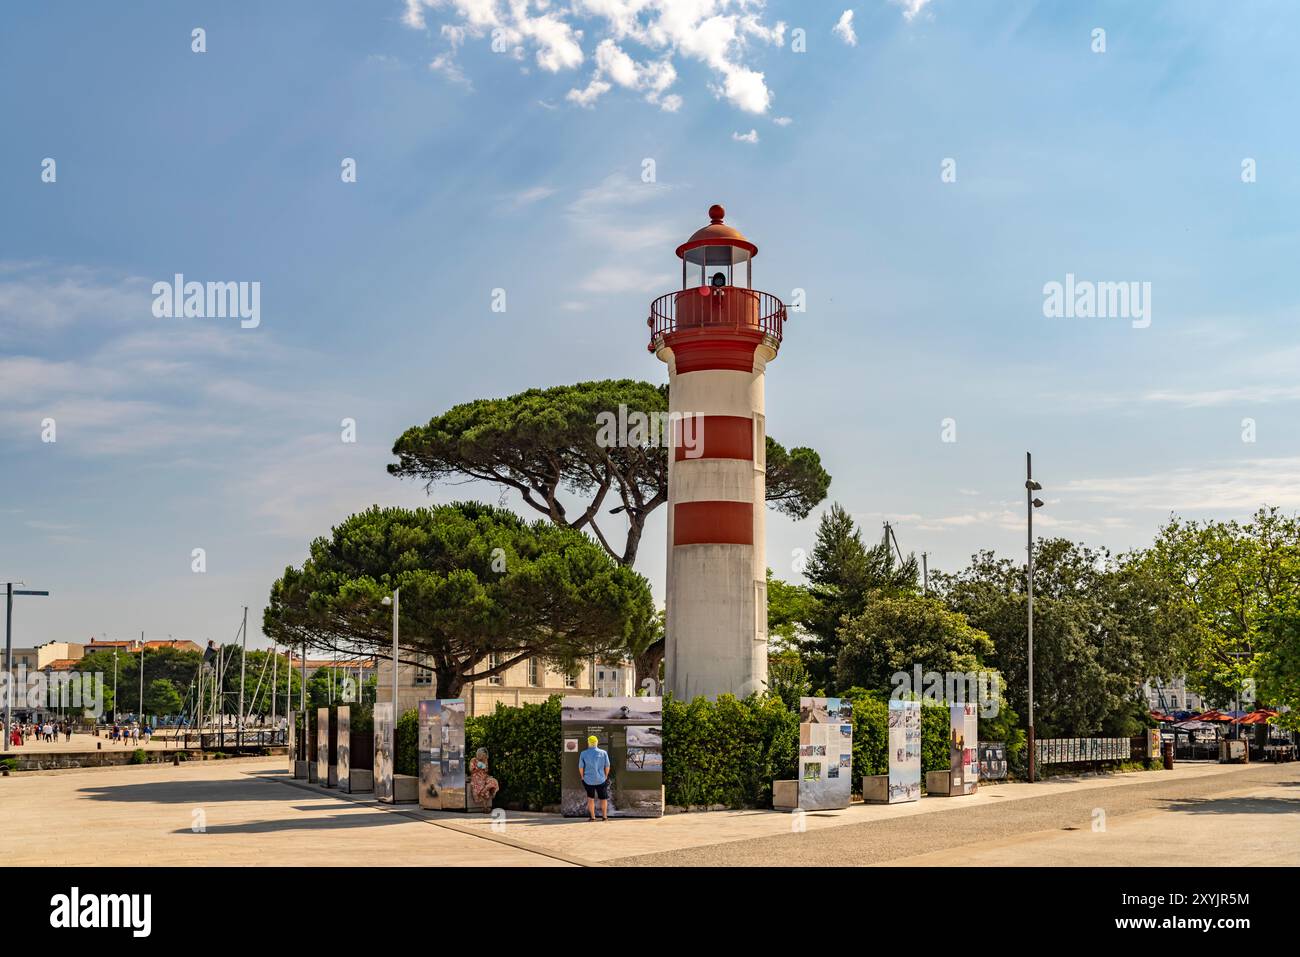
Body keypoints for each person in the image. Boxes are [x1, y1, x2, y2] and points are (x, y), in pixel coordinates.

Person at [578, 734, 611, 822]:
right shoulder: (603, 753)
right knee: (603, 799)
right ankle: (604, 817)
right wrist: (606, 775)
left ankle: (592, 818)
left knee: (590, 798)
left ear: (588, 743)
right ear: (596, 743)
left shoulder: (583, 753)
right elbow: (607, 766)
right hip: (601, 779)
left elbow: (581, 767)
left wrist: (582, 777)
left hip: (588, 780)